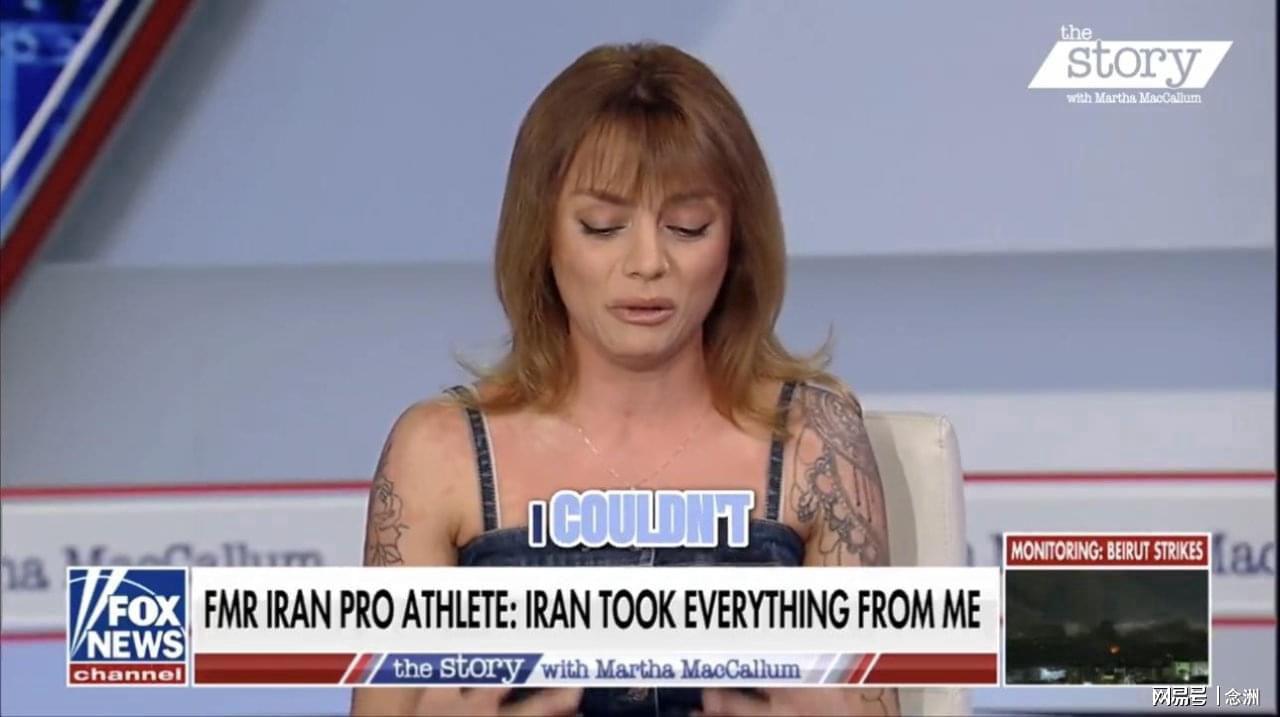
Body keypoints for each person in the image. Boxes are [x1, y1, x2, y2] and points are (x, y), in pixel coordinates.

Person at [351, 42, 898, 717]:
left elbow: (869, 700)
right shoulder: (439, 451)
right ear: (542, 237)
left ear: (736, 242)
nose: (647, 262)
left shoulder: (815, 439)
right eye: (603, 226)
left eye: (687, 227)